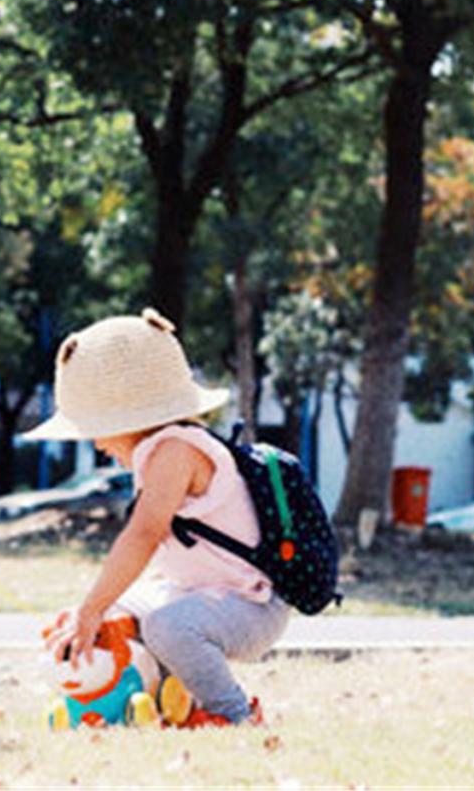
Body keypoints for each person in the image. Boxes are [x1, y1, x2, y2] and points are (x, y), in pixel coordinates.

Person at [28, 308, 289, 726]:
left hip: (249, 607)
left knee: (165, 626)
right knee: (119, 617)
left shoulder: (176, 451)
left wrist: (91, 608)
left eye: (94, 428)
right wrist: (96, 612)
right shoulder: (161, 452)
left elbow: (143, 535)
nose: (95, 443)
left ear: (127, 416)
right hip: (203, 596)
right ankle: (159, 700)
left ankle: (234, 714)